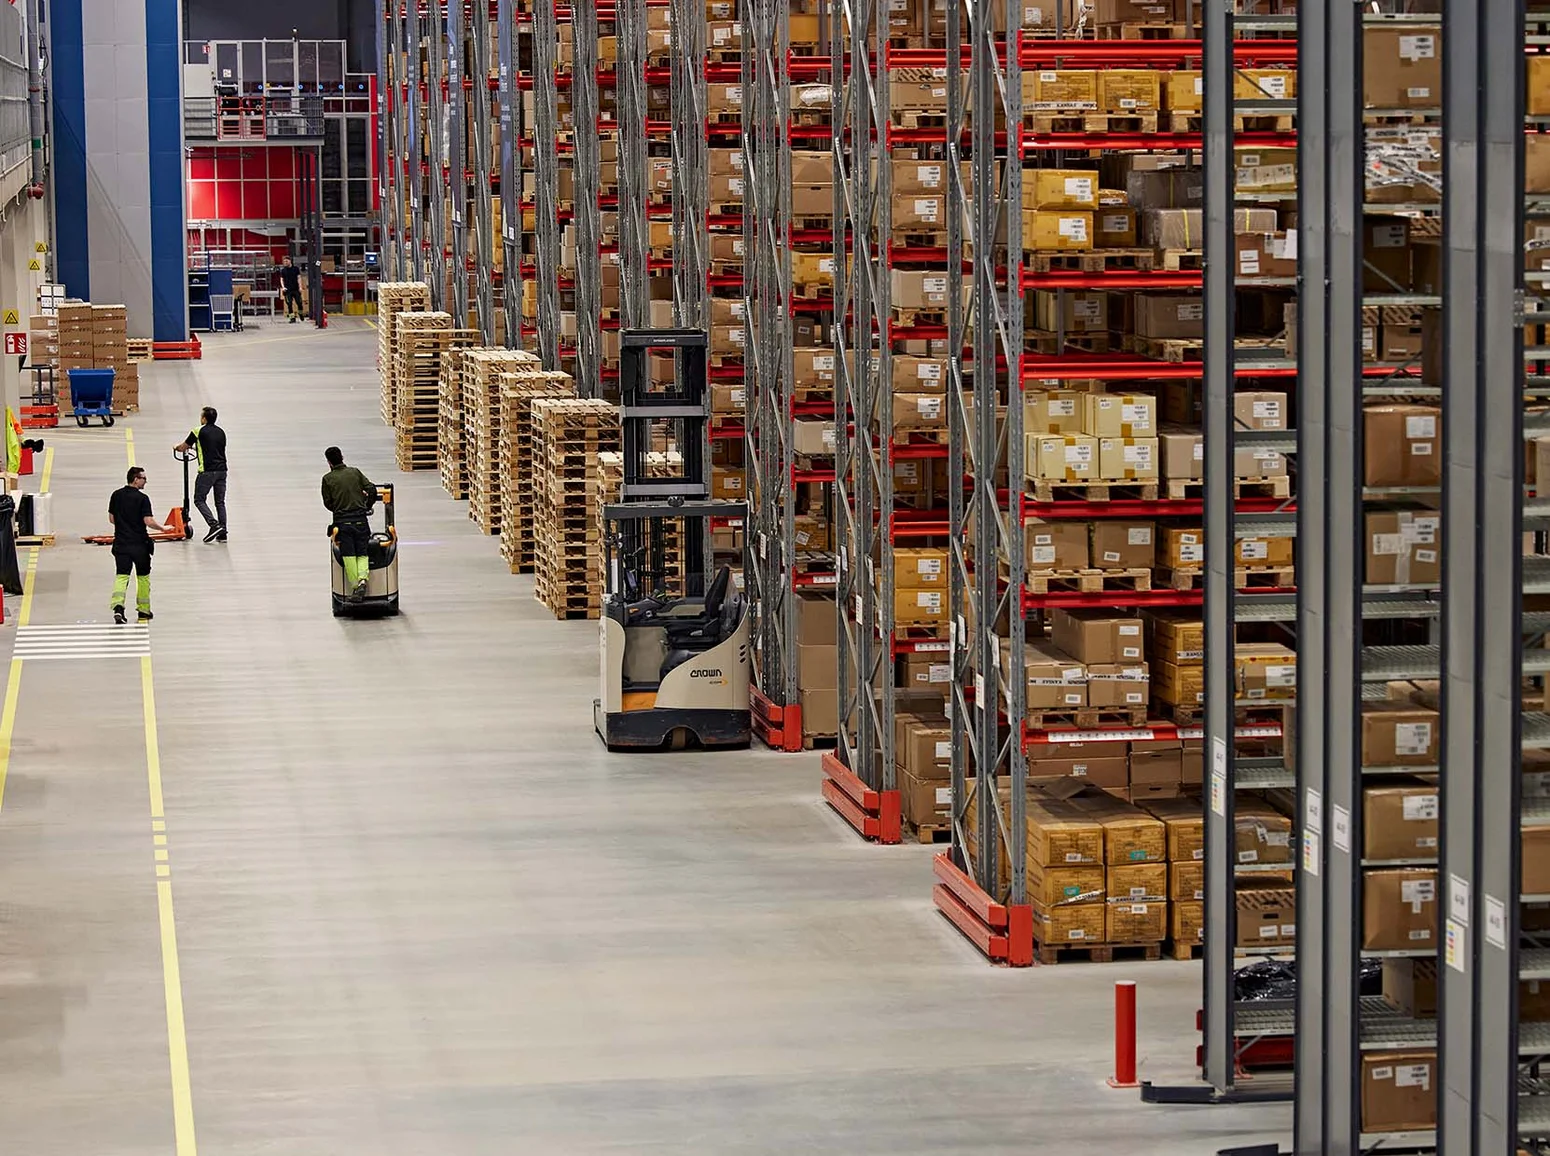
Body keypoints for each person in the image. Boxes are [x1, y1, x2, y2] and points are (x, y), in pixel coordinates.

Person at [108, 466, 173, 624]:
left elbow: (112, 519)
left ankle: (118, 608)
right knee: (143, 577)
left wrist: (124, 525)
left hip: (121, 543)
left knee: (122, 576)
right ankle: (143, 610)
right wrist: (163, 528)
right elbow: (148, 521)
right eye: (144, 478)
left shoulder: (116, 495)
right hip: (139, 545)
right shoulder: (143, 498)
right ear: (136, 479)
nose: (145, 481)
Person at [321, 446, 377, 600]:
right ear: (342, 457)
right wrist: (367, 505)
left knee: (349, 555)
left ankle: (356, 587)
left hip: (342, 522)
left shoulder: (327, 479)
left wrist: (339, 508)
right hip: (360, 520)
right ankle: (363, 580)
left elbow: (328, 503)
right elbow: (371, 489)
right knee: (362, 551)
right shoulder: (355, 472)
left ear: (329, 462)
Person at [175, 405, 229, 543]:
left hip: (207, 471)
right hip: (222, 470)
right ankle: (223, 532)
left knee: (199, 499)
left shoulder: (198, 431)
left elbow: (184, 446)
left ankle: (214, 525)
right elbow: (213, 447)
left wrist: (176, 447)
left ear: (204, 419)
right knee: (220, 502)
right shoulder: (221, 432)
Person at [280, 256, 304, 323]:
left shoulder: (296, 269)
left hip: (296, 289)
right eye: (284, 261)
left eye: (286, 261)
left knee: (299, 303)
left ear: (290, 261)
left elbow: (299, 278)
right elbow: (281, 279)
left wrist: (300, 287)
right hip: (288, 290)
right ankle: (292, 318)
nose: (285, 263)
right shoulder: (283, 270)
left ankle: (300, 313)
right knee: (289, 304)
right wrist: (283, 287)